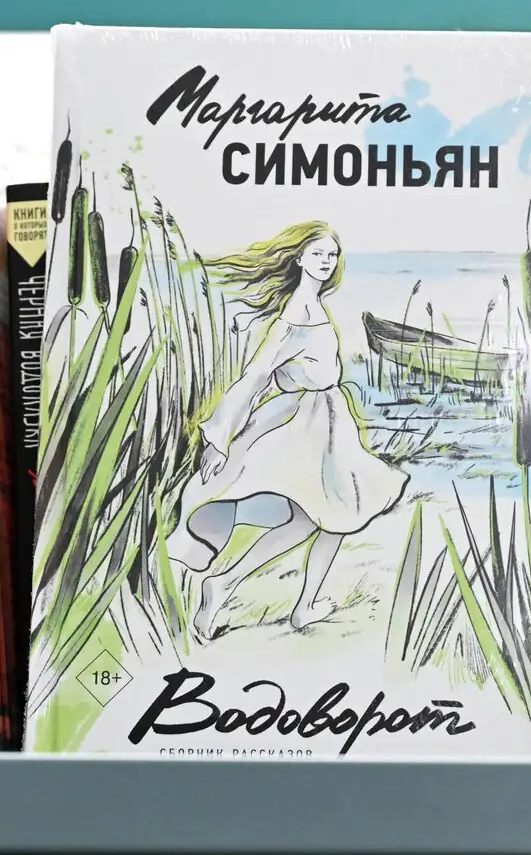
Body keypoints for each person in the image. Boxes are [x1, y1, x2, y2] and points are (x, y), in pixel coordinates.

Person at [166, 221, 409, 640]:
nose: (327, 262)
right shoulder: (296, 315)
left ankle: (242, 589)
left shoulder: (312, 305)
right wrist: (220, 437)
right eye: (318, 254)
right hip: (310, 424)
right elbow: (256, 374)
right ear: (298, 258)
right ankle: (257, 594)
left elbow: (286, 373)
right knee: (334, 515)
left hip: (330, 420)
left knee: (325, 518)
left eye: (332, 255)